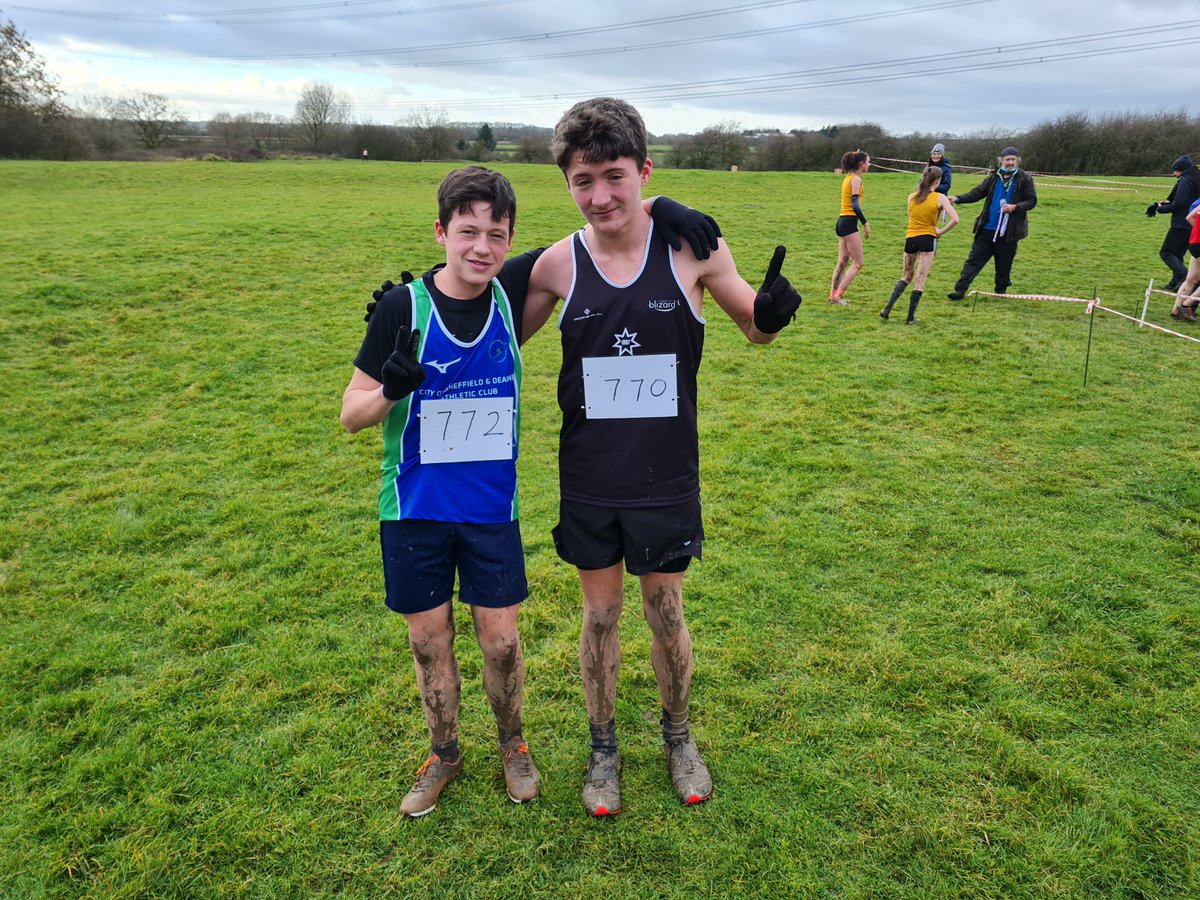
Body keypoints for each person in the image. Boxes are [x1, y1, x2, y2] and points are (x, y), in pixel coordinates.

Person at [523, 97, 802, 817]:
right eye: (582, 181)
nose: (600, 196)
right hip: (589, 478)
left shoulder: (692, 249)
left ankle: (679, 739)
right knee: (601, 617)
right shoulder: (557, 264)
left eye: (615, 176)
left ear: (643, 171)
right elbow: (489, 335)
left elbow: (753, 325)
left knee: (666, 611)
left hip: (665, 477)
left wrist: (771, 313)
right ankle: (603, 747)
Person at [340, 166, 541, 818]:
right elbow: (351, 415)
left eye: (496, 234)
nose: (482, 246)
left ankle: (512, 743)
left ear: (510, 240)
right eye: (468, 232)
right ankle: (445, 752)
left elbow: (595, 233)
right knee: (429, 643)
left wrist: (668, 209)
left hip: (489, 511)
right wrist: (390, 389)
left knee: (502, 643)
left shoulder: (511, 293)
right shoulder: (403, 308)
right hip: (414, 510)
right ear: (442, 231)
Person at [945, 146, 1038, 300]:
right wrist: (958, 198)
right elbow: (978, 192)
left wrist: (1016, 207)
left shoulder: (1025, 178)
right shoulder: (994, 177)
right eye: (1007, 159)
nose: (1009, 162)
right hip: (986, 229)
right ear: (1001, 160)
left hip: (1008, 232)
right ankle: (960, 290)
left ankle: (1000, 291)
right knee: (973, 261)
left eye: (1013, 159)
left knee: (1003, 265)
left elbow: (1032, 200)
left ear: (1017, 160)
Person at [880, 165, 959, 324]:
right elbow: (955, 219)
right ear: (937, 181)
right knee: (919, 279)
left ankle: (887, 308)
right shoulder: (940, 197)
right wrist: (940, 232)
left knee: (906, 276)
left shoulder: (911, 197)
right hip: (927, 239)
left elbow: (910, 219)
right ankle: (910, 318)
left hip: (910, 238)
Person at [1147, 155, 1200, 292]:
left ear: (1181, 169)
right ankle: (1175, 284)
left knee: (1166, 252)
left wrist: (1160, 209)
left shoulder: (1185, 181)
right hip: (1193, 223)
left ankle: (1183, 276)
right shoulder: (1195, 178)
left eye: (1175, 170)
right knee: (1177, 254)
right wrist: (1161, 204)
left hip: (1181, 224)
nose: (1174, 173)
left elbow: (1180, 203)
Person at [830, 149, 870, 304]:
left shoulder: (848, 178)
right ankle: (838, 295)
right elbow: (855, 205)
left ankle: (832, 295)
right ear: (861, 164)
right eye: (868, 161)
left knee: (842, 261)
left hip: (842, 222)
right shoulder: (856, 180)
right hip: (849, 223)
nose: (869, 164)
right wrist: (865, 223)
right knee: (858, 263)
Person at [1170, 197, 1200, 321]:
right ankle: (1186, 305)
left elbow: (1189, 217)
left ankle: (1175, 311)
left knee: (1191, 279)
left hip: (1194, 243)